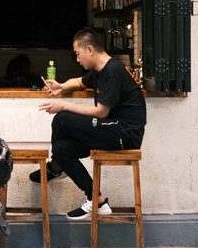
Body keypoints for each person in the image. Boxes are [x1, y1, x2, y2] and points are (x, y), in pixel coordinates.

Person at [32, 27, 146, 220]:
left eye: (78, 54)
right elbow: (79, 82)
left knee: (62, 118)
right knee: (62, 148)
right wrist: (62, 87)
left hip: (124, 134)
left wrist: (64, 105)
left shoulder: (113, 71)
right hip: (110, 130)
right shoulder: (100, 71)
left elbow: (101, 112)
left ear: (90, 50)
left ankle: (57, 168)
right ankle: (97, 199)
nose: (77, 59)